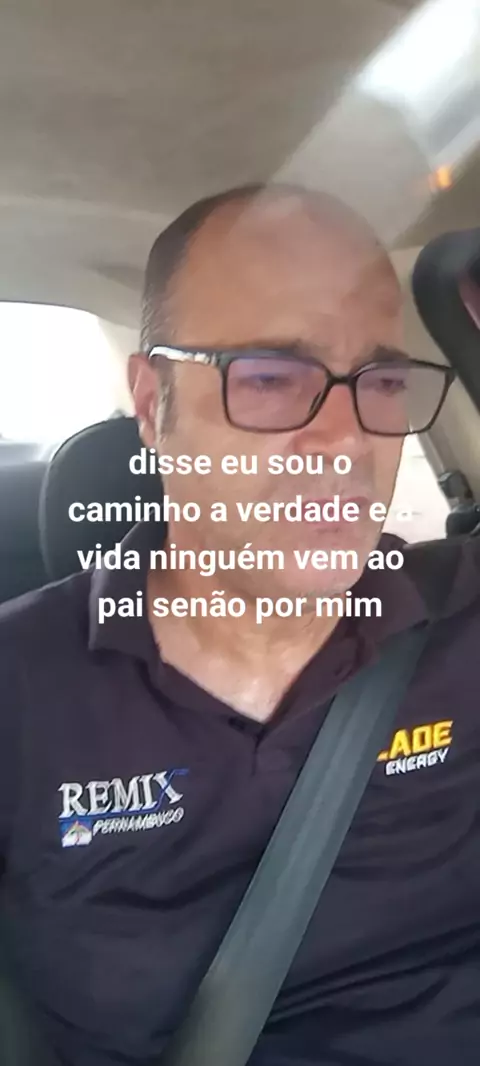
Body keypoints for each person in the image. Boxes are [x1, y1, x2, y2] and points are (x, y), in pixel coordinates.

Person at [0, 182, 479, 1066]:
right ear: (153, 402)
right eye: (268, 377)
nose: (346, 439)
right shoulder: (21, 692)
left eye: (380, 381)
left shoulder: (462, 615)